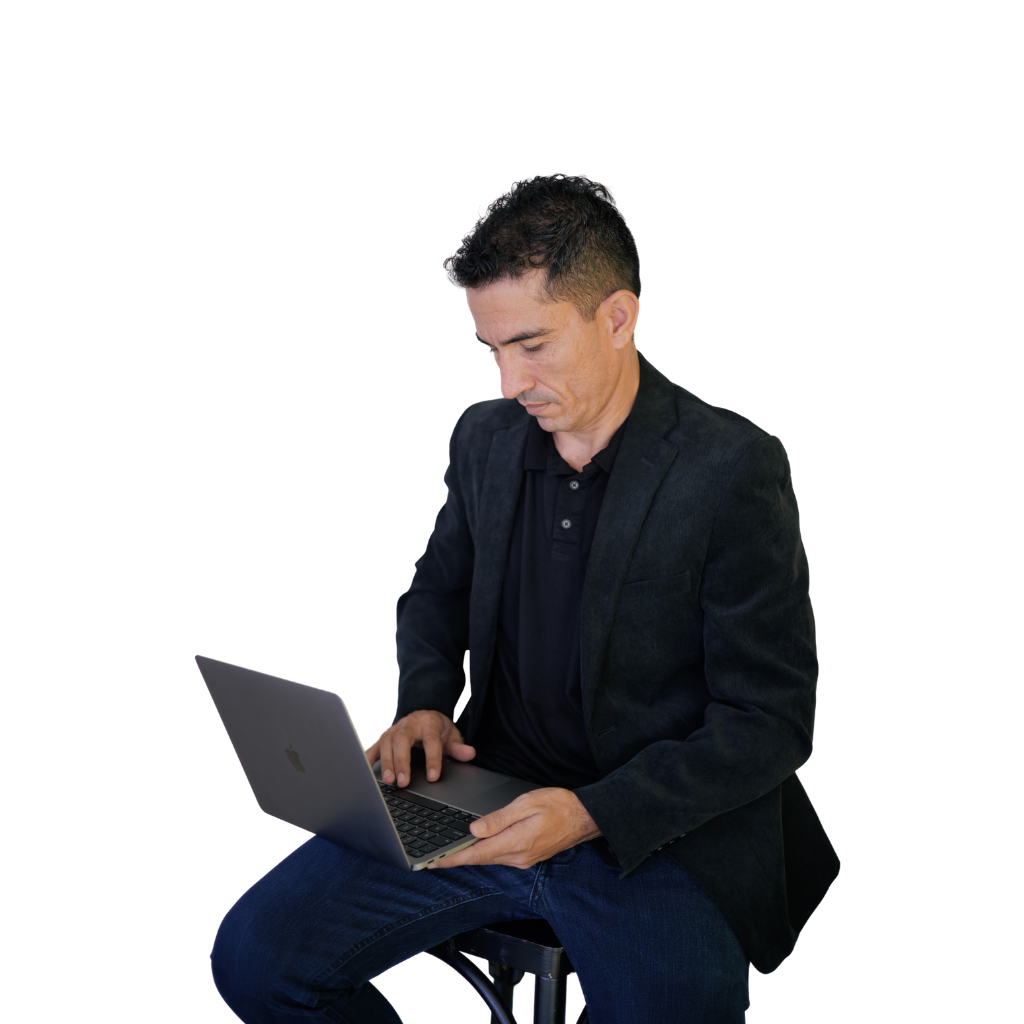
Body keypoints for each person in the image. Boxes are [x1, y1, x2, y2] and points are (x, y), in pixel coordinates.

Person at [211, 175, 839, 1024]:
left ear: (617, 318)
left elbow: (769, 721)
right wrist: (424, 704)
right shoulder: (486, 439)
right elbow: (437, 591)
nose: (511, 382)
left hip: (654, 827)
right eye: (493, 350)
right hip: (485, 796)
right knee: (258, 959)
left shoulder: (731, 468)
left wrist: (589, 812)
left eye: (532, 345)